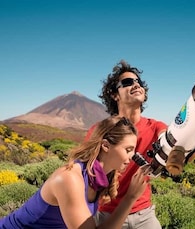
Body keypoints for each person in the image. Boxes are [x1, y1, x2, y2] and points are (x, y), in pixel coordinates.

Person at [0, 116, 150, 229]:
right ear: (106, 146)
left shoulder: (100, 178)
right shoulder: (70, 179)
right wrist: (130, 197)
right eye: (128, 150)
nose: (132, 157)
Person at [87, 59, 167, 229]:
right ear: (115, 94)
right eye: (128, 82)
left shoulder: (155, 127)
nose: (136, 85)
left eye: (138, 82)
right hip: (107, 215)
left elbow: (172, 139)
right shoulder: (99, 131)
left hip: (144, 214)